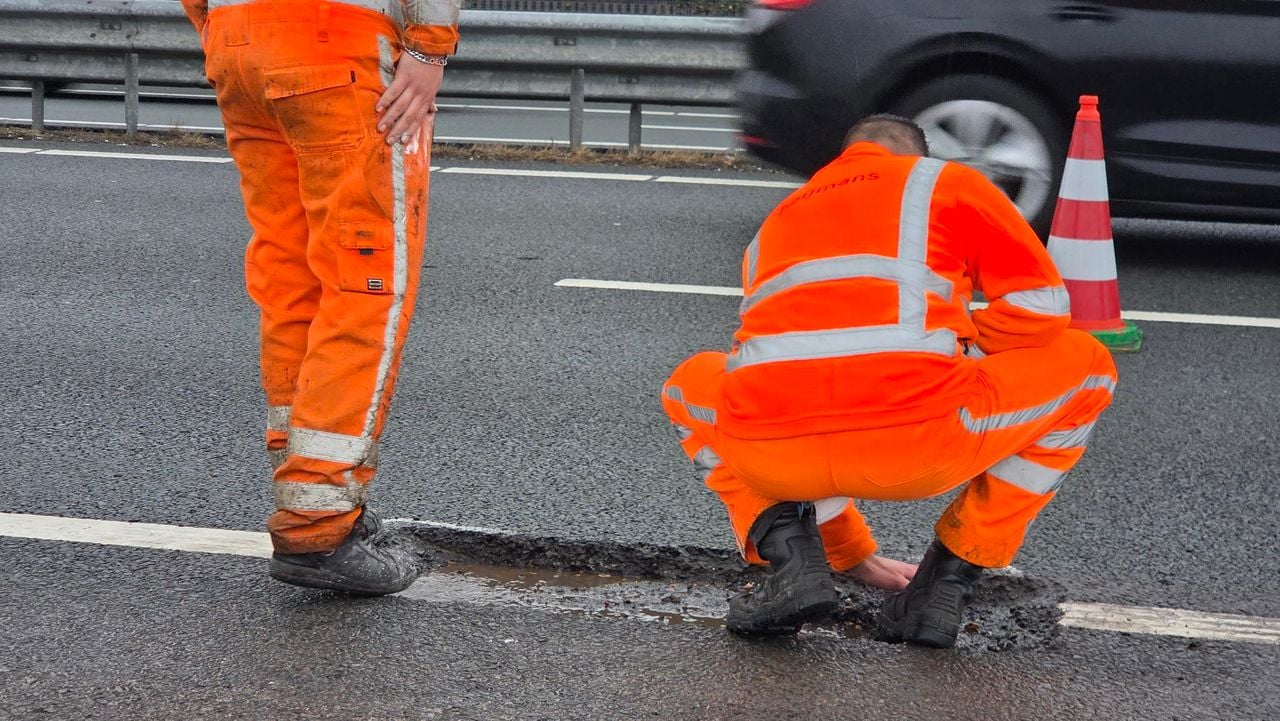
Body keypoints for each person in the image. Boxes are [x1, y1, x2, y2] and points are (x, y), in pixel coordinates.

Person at [661, 115, 1117, 647]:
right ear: (917, 155)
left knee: (687, 385)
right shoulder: (944, 181)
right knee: (1087, 365)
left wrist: (852, 555)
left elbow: (784, 357)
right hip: (921, 444)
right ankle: (943, 585)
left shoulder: (778, 220)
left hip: (771, 453)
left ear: (844, 157)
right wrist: (966, 353)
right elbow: (1041, 308)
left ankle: (792, 562)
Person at [179, 0, 460, 595]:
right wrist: (429, 50)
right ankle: (318, 522)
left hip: (237, 43)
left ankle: (311, 495)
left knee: (291, 283)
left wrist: (220, 27)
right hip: (335, 45)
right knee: (364, 286)